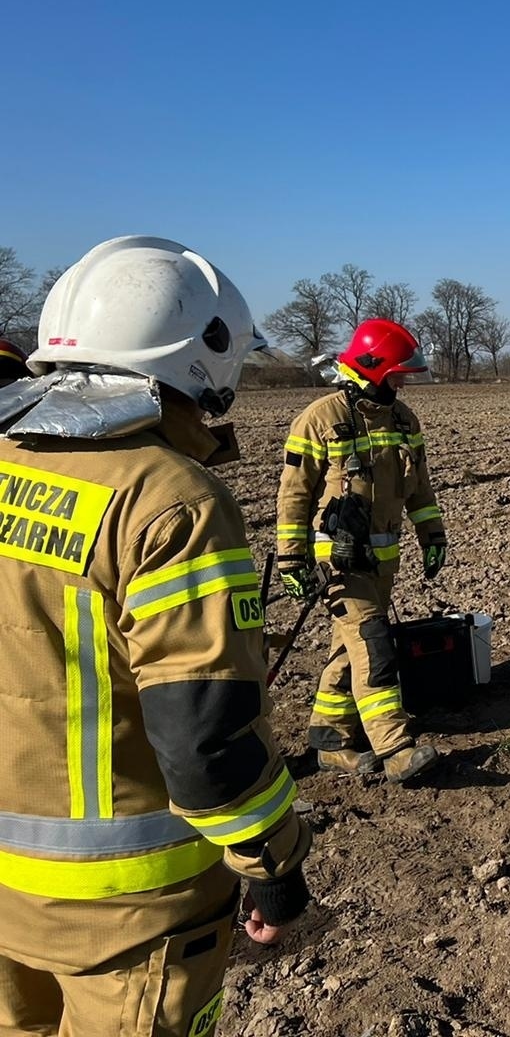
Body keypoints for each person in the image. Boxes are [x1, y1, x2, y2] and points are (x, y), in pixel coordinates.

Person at [0, 236, 313, 1035]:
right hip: (126, 912)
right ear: (205, 353)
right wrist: (272, 865)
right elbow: (208, 742)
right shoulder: (171, 501)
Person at [276, 318, 446, 783]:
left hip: (383, 563)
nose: (402, 383)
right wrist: (291, 557)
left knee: (350, 649)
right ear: (372, 369)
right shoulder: (320, 419)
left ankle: (330, 741)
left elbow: (420, 488)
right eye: (397, 374)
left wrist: (432, 536)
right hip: (339, 562)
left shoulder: (404, 420)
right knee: (373, 644)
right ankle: (395, 748)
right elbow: (293, 495)